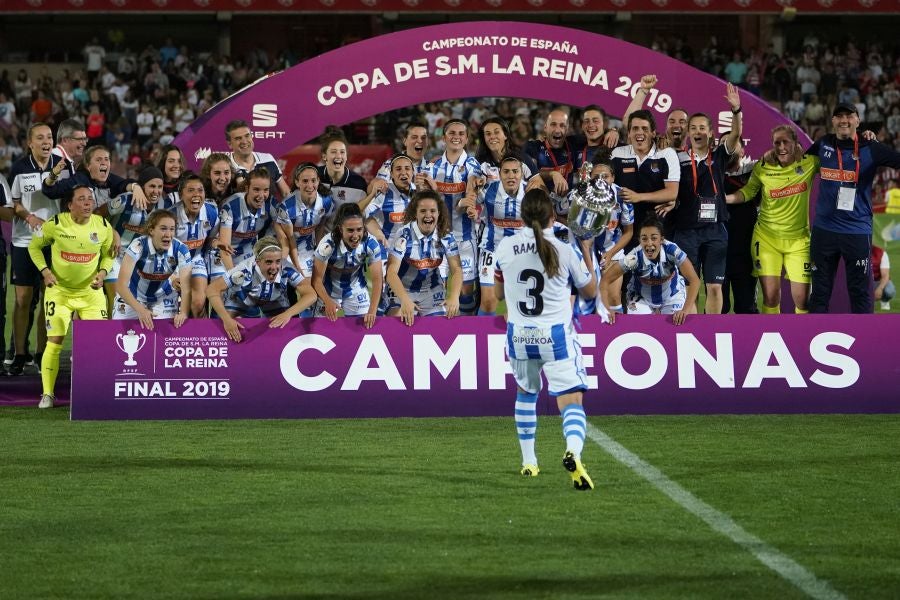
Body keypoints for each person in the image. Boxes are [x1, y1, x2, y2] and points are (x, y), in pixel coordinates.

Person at [493, 188, 597, 490]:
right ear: (553, 215)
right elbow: (590, 291)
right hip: (555, 337)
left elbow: (498, 295)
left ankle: (529, 462)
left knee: (526, 392)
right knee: (571, 399)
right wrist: (587, 250)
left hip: (519, 336)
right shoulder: (565, 249)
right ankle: (573, 452)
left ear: (521, 215)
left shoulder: (505, 247)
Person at [807, 102, 900, 313]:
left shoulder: (871, 147)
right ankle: (812, 339)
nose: (844, 120)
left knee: (860, 292)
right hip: (824, 231)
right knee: (819, 292)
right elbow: (794, 165)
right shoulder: (822, 145)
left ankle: (864, 341)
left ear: (858, 120)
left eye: (849, 116)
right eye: (839, 116)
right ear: (832, 121)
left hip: (856, 232)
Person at [28, 184, 114, 408]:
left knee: (97, 343)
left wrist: (103, 273)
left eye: (90, 199)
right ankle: (47, 394)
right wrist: (45, 272)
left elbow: (108, 255)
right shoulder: (55, 224)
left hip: (90, 293)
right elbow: (34, 247)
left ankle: (94, 392)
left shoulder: (103, 225)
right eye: (82, 199)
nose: (88, 203)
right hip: (60, 292)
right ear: (70, 205)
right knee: (55, 341)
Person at [727, 125, 818, 313]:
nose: (781, 147)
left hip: (799, 241)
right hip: (767, 238)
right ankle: (772, 338)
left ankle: (801, 338)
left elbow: (832, 159)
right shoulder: (763, 165)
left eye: (786, 142)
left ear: (795, 143)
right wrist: (724, 199)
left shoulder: (809, 162)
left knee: (803, 301)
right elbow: (749, 191)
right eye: (777, 143)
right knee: (771, 296)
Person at [669, 82, 743, 314]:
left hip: (715, 229)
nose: (698, 132)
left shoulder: (719, 155)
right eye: (693, 128)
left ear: (711, 132)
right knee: (690, 284)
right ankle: (692, 334)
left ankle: (711, 333)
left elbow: (736, 134)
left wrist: (736, 110)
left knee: (713, 287)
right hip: (686, 229)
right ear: (688, 132)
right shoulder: (676, 158)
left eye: (702, 128)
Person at [7, 123, 63, 376]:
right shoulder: (19, 168)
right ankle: (20, 354)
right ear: (30, 143)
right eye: (40, 138)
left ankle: (42, 354)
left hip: (54, 243)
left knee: (48, 300)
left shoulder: (63, 166)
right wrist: (29, 217)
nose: (46, 141)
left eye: (49, 137)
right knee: (22, 300)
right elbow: (13, 203)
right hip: (23, 242)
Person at [207, 237, 318, 343]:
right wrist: (227, 320)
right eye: (269, 262)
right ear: (258, 261)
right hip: (241, 299)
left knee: (285, 326)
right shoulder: (243, 270)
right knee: (224, 327)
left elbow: (311, 294)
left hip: (273, 299)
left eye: (278, 261)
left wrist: (288, 314)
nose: (274, 267)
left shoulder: (286, 267)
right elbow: (212, 289)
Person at [425, 118, 483, 314]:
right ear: (444, 138)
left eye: (460, 134)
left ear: (466, 139)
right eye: (452, 133)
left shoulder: (472, 164)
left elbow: (472, 185)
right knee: (437, 291)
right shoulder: (433, 167)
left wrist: (468, 201)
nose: (456, 137)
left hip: (465, 239)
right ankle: (442, 333)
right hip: (438, 239)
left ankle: (467, 331)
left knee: (466, 290)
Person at [601, 216, 701, 325]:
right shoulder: (633, 258)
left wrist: (685, 310)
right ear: (639, 240)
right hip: (641, 297)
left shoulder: (673, 251)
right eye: (644, 238)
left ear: (661, 240)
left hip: (672, 294)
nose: (649, 243)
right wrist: (606, 308)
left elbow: (694, 280)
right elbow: (605, 280)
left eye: (654, 238)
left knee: (677, 323)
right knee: (640, 327)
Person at [384, 190, 462, 324]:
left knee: (442, 324)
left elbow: (456, 269)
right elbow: (391, 272)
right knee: (397, 321)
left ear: (439, 213)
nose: (428, 215)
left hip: (431, 289)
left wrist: (454, 297)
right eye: (423, 211)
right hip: (402, 288)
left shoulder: (446, 237)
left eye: (432, 211)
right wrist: (404, 300)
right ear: (415, 214)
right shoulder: (404, 235)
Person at [114, 210, 191, 329]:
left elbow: (186, 288)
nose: (168, 234)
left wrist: (184, 313)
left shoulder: (181, 249)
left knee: (165, 337)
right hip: (134, 296)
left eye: (172, 229)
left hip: (163, 297)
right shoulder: (137, 246)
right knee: (118, 332)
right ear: (151, 230)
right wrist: (140, 310)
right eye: (163, 228)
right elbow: (121, 286)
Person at [311, 203, 382, 328]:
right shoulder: (327, 246)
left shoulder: (371, 243)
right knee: (323, 331)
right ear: (340, 229)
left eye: (359, 229)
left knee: (363, 329)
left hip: (356, 289)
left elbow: (377, 279)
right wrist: (327, 301)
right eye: (350, 230)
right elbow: (316, 280)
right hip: (328, 292)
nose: (355, 236)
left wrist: (372, 310)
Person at [473, 155, 526, 315]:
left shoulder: (530, 191)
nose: (511, 176)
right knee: (489, 302)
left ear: (521, 173)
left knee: (519, 304)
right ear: (500, 174)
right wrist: (472, 187)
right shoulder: (489, 189)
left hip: (521, 253)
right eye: (506, 172)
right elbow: (469, 198)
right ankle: (483, 337)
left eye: (515, 172)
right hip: (491, 250)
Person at [171, 172, 221, 317]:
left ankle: (203, 335)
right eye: (191, 190)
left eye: (200, 190)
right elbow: (163, 250)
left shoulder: (211, 213)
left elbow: (211, 239)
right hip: (173, 263)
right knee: (175, 308)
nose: (196, 194)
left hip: (195, 259)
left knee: (198, 304)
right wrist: (172, 276)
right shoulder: (171, 216)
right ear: (181, 195)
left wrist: (217, 243)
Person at [276, 162, 333, 280]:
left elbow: (321, 225)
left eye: (313, 180)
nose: (310, 185)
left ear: (318, 181)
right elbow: (289, 238)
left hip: (308, 249)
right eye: (305, 181)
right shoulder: (287, 206)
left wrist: (319, 249)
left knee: (317, 284)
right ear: (297, 183)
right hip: (287, 249)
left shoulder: (326, 202)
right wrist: (297, 265)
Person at [589, 162, 632, 315]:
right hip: (587, 252)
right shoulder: (580, 197)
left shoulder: (623, 197)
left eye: (605, 176)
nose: (601, 180)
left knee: (613, 297)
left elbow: (628, 232)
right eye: (596, 177)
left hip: (612, 249)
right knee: (588, 298)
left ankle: (618, 335)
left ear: (613, 178)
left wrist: (611, 253)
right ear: (589, 178)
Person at [218, 167, 275, 271]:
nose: (261, 196)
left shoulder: (271, 204)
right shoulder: (231, 206)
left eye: (266, 190)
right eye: (256, 189)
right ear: (247, 188)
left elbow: (282, 232)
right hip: (224, 256)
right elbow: (224, 248)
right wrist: (233, 275)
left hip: (250, 254)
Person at [225, 119, 290, 199]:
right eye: (238, 138)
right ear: (229, 144)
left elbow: (286, 193)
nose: (244, 141)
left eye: (247, 136)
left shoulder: (268, 159)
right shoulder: (225, 165)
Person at [317, 130, 368, 223]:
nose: (338, 156)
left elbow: (364, 217)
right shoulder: (314, 177)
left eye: (342, 152)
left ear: (346, 156)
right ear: (324, 156)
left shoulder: (358, 183)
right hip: (317, 235)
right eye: (333, 152)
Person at [872, 244, 894, 311]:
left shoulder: (881, 253)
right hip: (863, 280)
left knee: (889, 290)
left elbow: (885, 275)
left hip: (877, 280)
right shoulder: (857, 251)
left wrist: (880, 289)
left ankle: (885, 300)